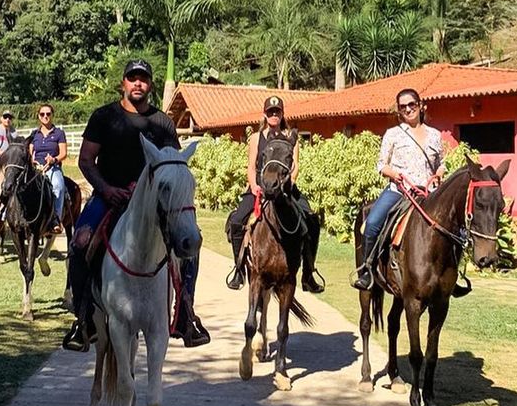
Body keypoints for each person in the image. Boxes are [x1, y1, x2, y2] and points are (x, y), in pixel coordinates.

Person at [63, 58, 209, 351]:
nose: (138, 83)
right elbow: (85, 160)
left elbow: (174, 164)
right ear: (124, 83)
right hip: (109, 197)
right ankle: (83, 318)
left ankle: (184, 316)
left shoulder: (162, 122)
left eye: (143, 78)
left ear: (150, 84)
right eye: (133, 78)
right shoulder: (104, 117)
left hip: (151, 206)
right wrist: (106, 189)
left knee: (190, 247)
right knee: (80, 241)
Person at [225, 95, 324, 293]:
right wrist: (254, 185)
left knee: (312, 220)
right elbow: (251, 167)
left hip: (285, 188)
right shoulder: (256, 138)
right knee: (237, 221)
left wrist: (287, 184)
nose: (273, 115)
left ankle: (308, 273)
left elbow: (295, 167)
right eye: (270, 112)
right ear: (265, 114)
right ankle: (239, 269)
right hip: (260, 188)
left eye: (277, 112)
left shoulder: (291, 138)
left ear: (282, 114)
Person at [353, 87, 445, 291]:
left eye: (412, 104)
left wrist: (439, 173)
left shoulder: (435, 135)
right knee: (372, 224)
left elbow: (441, 162)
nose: (408, 109)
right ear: (399, 112)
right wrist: (393, 174)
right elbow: (381, 165)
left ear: (420, 106)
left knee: (454, 227)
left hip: (428, 194)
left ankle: (451, 274)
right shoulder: (393, 134)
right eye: (403, 107)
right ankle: (366, 271)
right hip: (399, 191)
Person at [27, 103, 67, 231]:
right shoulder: (34, 134)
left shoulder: (59, 133)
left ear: (52, 115)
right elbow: (29, 151)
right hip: (36, 168)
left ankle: (56, 219)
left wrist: (53, 159)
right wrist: (32, 160)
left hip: (52, 167)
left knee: (58, 187)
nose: (45, 116)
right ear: (38, 116)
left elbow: (63, 153)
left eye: (48, 114)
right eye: (42, 114)